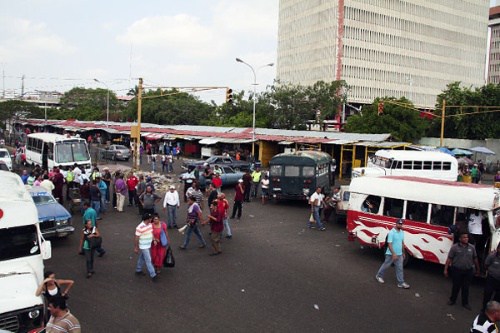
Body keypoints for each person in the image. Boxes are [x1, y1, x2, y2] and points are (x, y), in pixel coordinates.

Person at [444, 232, 480, 310]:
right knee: (456, 286)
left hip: (468, 271)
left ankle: (465, 303)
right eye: (464, 237)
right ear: (460, 239)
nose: (466, 239)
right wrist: (446, 269)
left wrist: (478, 269)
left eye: (467, 237)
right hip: (457, 270)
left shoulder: (472, 247)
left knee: (466, 287)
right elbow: (449, 258)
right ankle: (452, 300)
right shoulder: (454, 247)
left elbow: (475, 259)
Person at [375, 218, 410, 289]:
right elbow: (389, 244)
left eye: (401, 224)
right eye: (399, 224)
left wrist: (403, 252)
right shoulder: (391, 232)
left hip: (399, 254)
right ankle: (379, 276)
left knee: (400, 268)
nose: (400, 225)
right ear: (396, 224)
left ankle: (401, 283)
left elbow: (402, 243)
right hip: (390, 254)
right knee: (386, 265)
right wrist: (393, 253)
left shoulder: (402, 232)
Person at [134, 213, 158, 281]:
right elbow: (136, 237)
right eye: (150, 218)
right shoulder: (139, 227)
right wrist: (136, 247)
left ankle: (138, 269)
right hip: (143, 246)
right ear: (147, 219)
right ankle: (153, 274)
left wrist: (154, 239)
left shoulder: (150, 224)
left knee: (142, 257)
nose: (152, 219)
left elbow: (151, 232)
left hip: (148, 244)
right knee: (148, 260)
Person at [482, 243, 500, 312]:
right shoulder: (492, 256)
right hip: (491, 279)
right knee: (487, 295)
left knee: (497, 298)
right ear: (498, 248)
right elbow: (486, 265)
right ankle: (484, 310)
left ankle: (493, 311)